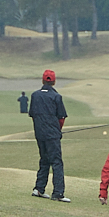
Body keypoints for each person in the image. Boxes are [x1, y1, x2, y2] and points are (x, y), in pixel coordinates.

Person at [28, 69, 69, 201]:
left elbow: (33, 116)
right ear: (54, 81)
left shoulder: (35, 95)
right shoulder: (56, 97)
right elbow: (61, 118)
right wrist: (57, 131)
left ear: (43, 80)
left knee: (44, 160)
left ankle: (39, 189)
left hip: (40, 134)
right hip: (52, 135)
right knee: (56, 162)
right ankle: (58, 193)